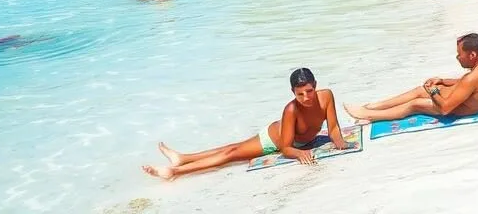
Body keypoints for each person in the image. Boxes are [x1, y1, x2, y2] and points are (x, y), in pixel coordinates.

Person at [143, 67, 347, 179]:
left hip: (292, 138)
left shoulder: (327, 96)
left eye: (309, 91)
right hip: (274, 139)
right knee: (231, 154)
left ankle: (183, 158)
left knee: (232, 148)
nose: (306, 97)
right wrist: (299, 153)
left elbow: (334, 127)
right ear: (292, 93)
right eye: (299, 94)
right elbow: (285, 147)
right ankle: (175, 171)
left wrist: (340, 143)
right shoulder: (291, 109)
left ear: (316, 86)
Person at [344, 33, 478, 124]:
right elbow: (470, 85)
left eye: (460, 54)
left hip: (464, 109)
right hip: (469, 99)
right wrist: (443, 81)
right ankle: (374, 106)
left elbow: (445, 109)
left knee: (415, 104)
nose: (457, 57)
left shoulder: (472, 78)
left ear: (472, 55)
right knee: (420, 90)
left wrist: (433, 92)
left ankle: (368, 115)